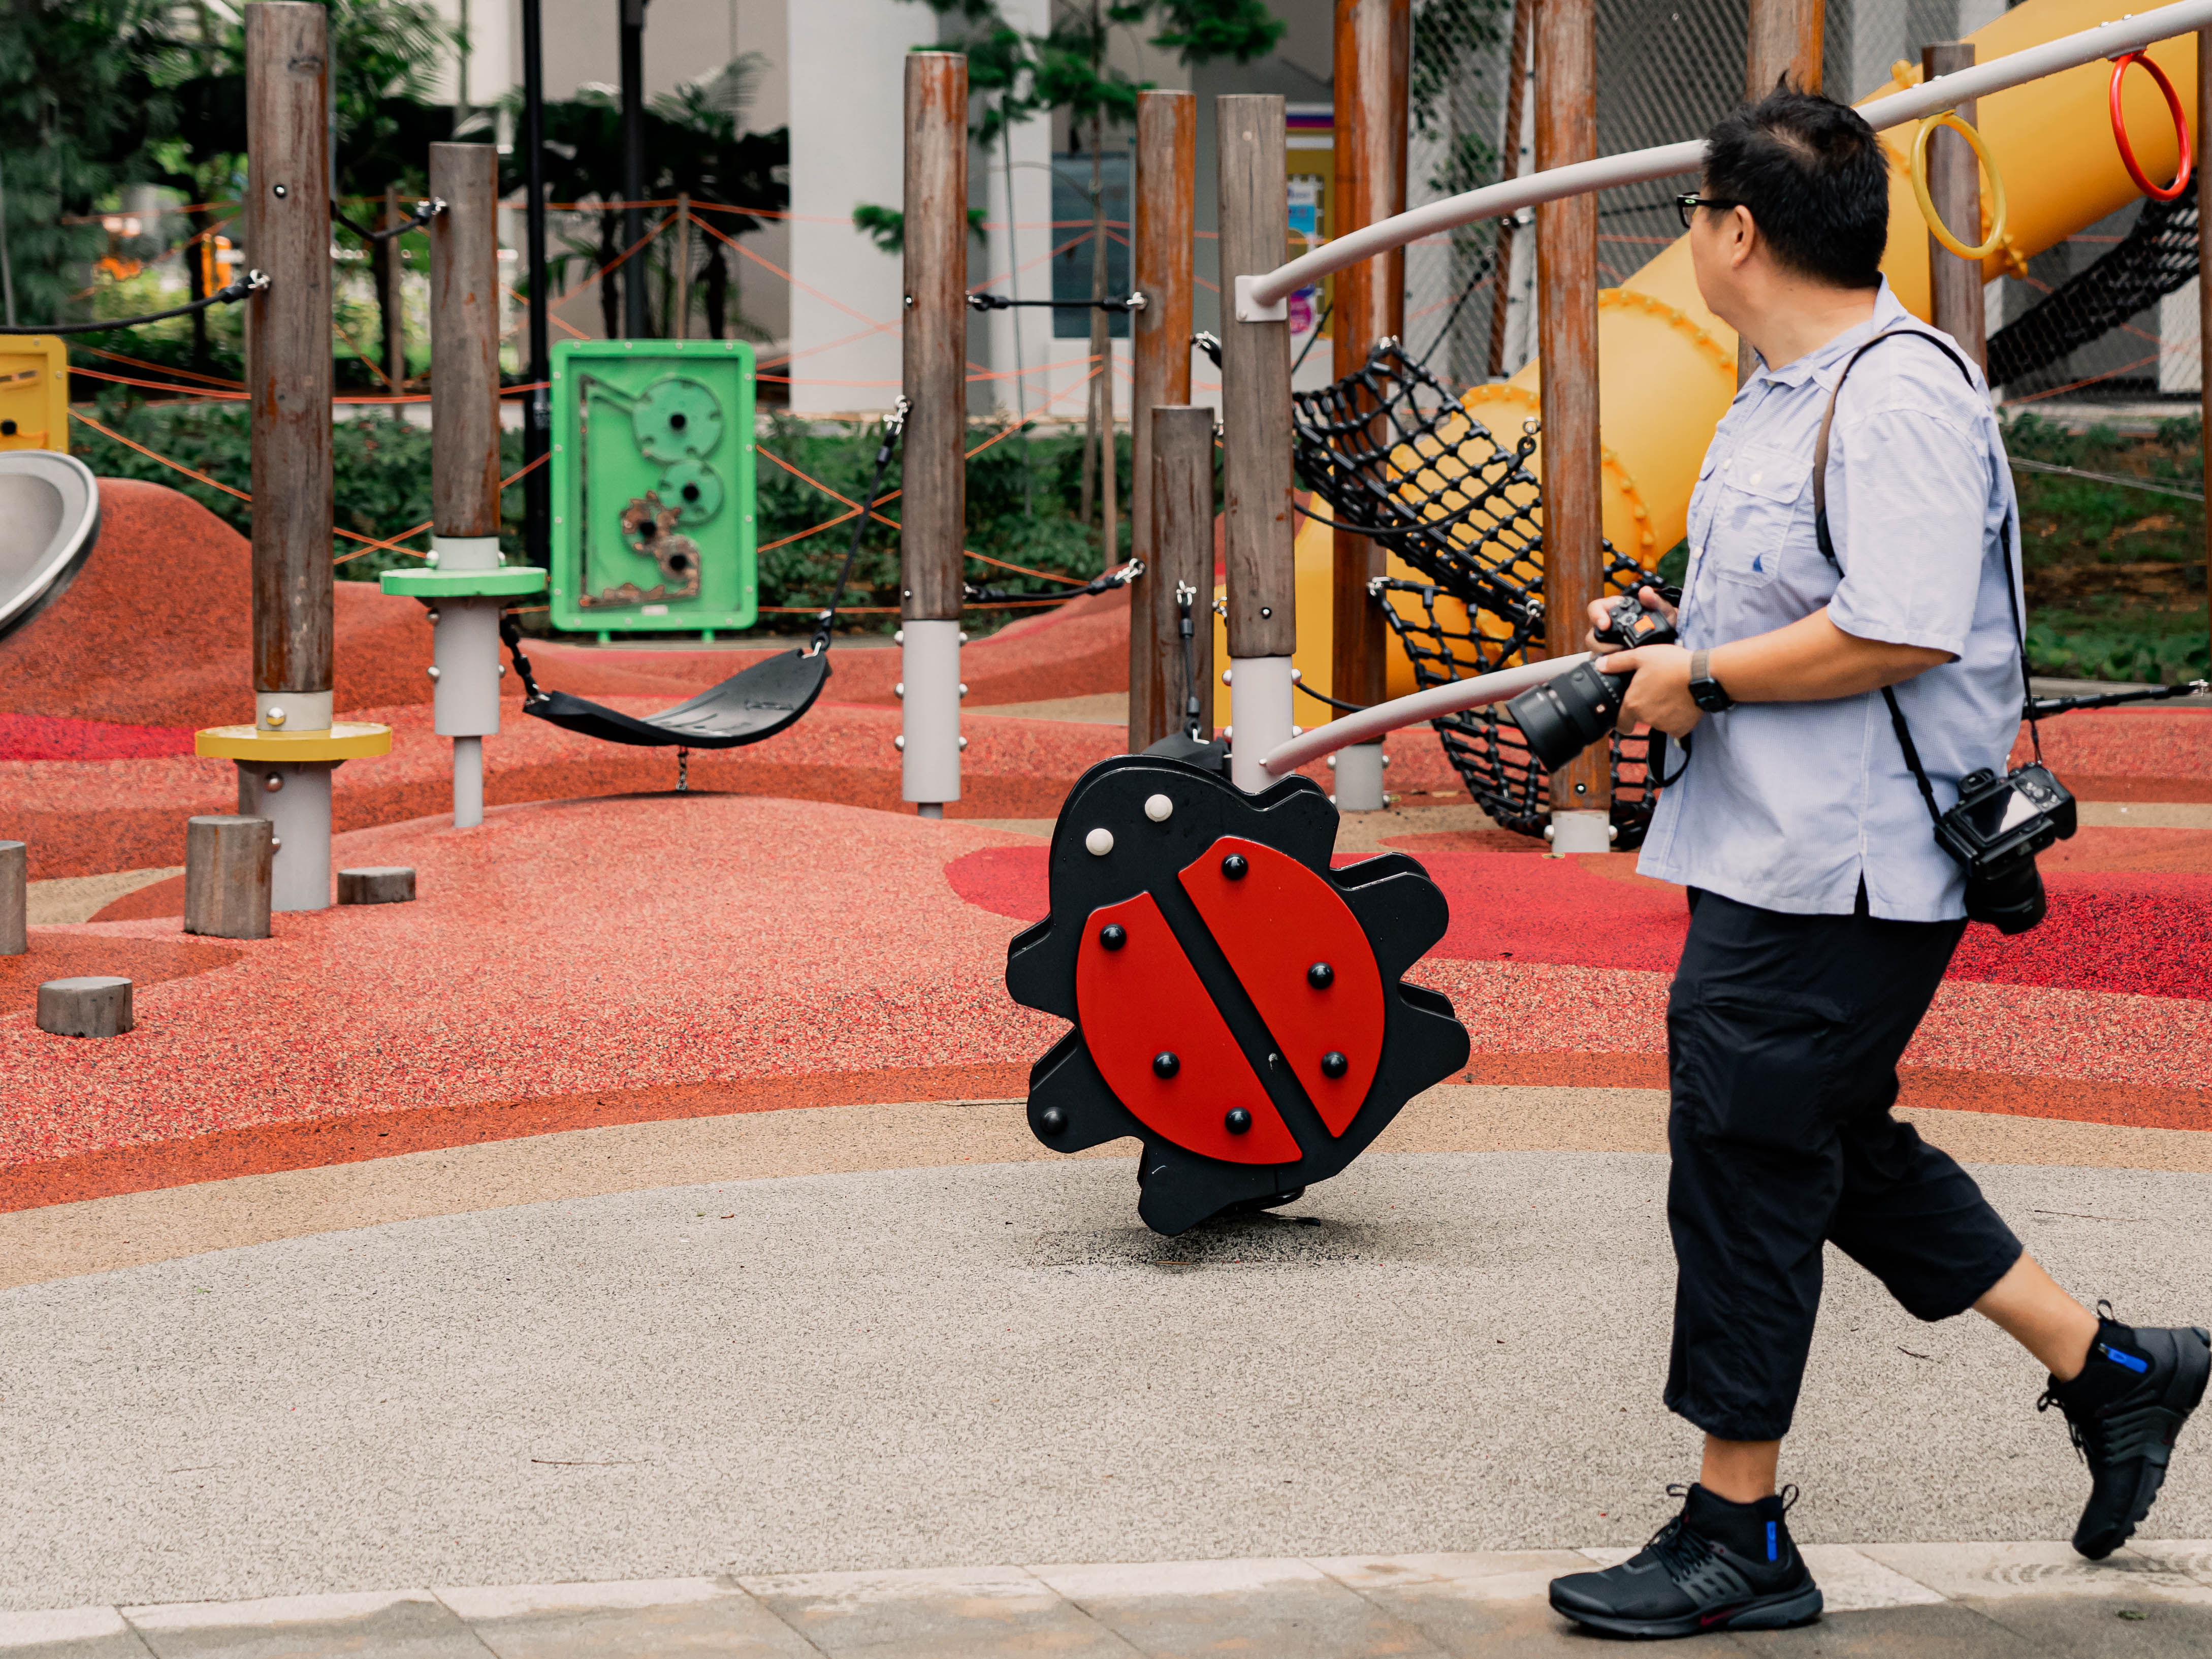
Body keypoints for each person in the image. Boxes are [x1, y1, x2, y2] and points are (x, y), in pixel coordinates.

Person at [1542, 87, 2209, 1641]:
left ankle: (1738, 1530)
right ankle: (2115, 1365)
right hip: (1777, 849)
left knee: (1744, 1158)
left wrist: (1692, 683)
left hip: (1844, 868)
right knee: (1820, 1136)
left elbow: (1898, 625)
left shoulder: (1893, 395)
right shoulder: (1778, 389)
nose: (1691, 240)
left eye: (1698, 216)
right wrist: (1673, 644)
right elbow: (1802, 596)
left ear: (1736, 233)